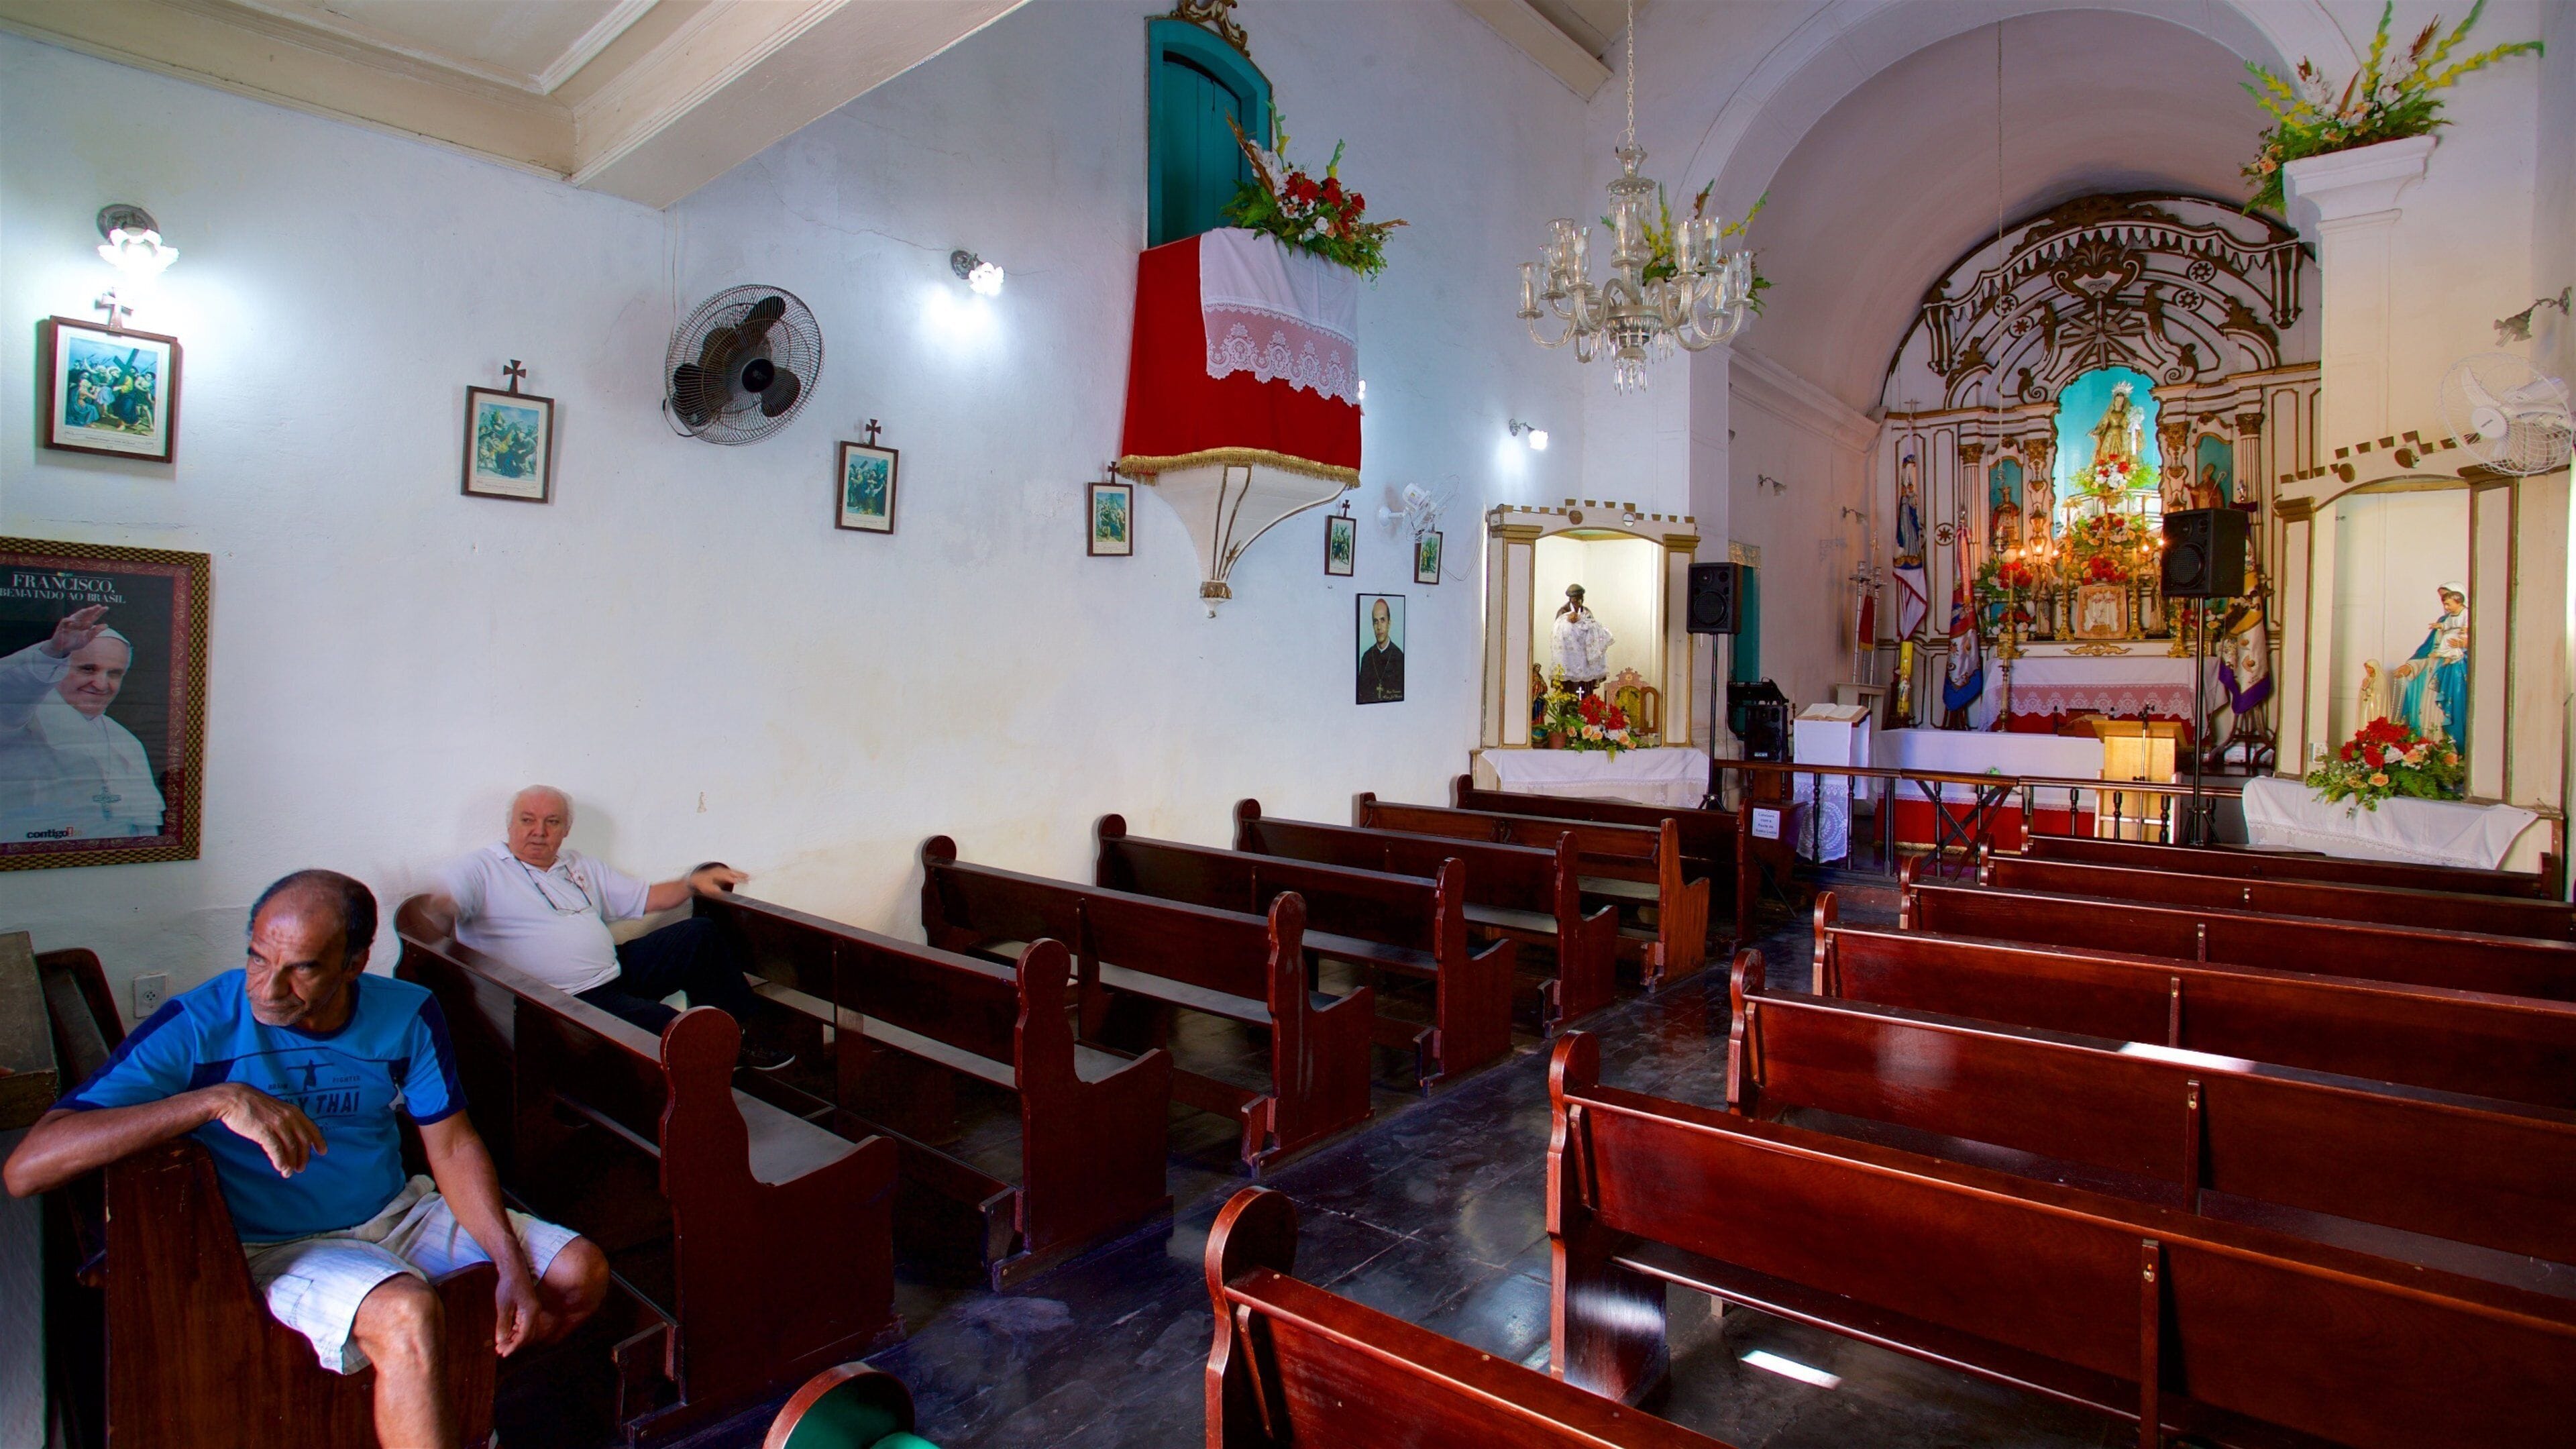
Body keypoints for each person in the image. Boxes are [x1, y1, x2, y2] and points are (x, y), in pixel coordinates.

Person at [3, 870, 609, 1449]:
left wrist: (507, 1260)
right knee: (407, 1314)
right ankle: (436, 1402)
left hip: (394, 1212)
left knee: (578, 1275)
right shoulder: (201, 1024)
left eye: (301, 970)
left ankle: (457, 1397)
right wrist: (214, 1100)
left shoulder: (406, 1012)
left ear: (354, 964)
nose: (268, 988)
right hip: (277, 1245)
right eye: (258, 958)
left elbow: (450, 1143)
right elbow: (27, 1167)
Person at [415, 786, 792, 1070]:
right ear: (510, 826)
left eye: (552, 822)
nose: (538, 832)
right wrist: (440, 902)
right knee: (673, 1030)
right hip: (564, 1002)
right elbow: (448, 897)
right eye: (527, 820)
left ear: (565, 830)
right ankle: (700, 1093)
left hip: (613, 973)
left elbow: (648, 898)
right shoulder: (482, 868)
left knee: (698, 935)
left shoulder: (578, 864)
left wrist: (692, 882)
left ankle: (737, 1039)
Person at [0, 603, 168, 843]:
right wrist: (53, 652)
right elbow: (9, 688)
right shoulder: (17, 717)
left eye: (114, 673)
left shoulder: (126, 741)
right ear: (59, 667)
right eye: (88, 669)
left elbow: (143, 826)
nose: (101, 684)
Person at [2392, 583, 2469, 746]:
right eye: (2443, 600)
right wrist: (2411, 667)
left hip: (2453, 673)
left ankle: (2448, 753)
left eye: (2448, 599)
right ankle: (2426, 751)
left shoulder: (2468, 622)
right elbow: (2427, 652)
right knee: (2427, 712)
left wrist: (2464, 645)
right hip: (2431, 673)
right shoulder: (2442, 622)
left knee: (2443, 713)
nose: (2445, 604)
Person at [1551, 584, 1613, 695]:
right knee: (1569, 691)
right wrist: (1569, 624)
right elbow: (1558, 634)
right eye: (1577, 599)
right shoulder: (1563, 612)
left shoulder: (1586, 611)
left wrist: (1585, 625)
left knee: (1585, 691)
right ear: (1571, 599)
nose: (1580, 601)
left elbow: (1593, 626)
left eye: (1581, 598)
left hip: (1584, 657)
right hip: (1569, 659)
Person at [1356, 598, 1404, 703]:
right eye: (1375, 622)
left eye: (1383, 620)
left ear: (1389, 623)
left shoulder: (1400, 658)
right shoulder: (1366, 658)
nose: (1379, 627)